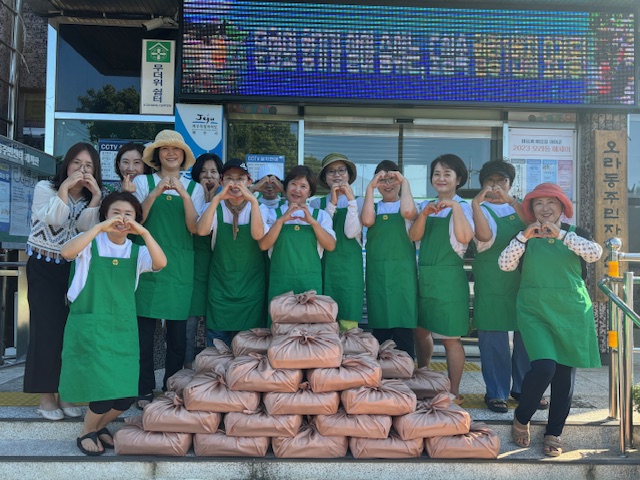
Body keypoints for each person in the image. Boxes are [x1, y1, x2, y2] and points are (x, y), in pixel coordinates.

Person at [58, 192, 167, 456]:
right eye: (115, 212)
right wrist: (97, 228)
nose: (121, 218)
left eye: (128, 214)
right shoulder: (90, 244)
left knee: (125, 396)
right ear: (105, 216)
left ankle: (99, 428)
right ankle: (86, 432)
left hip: (122, 330)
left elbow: (160, 262)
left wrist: (145, 233)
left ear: (137, 220)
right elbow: (66, 252)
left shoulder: (137, 251)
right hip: (92, 328)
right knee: (103, 391)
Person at [499, 182, 602, 457]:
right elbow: (505, 264)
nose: (545, 209)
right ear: (531, 209)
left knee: (564, 377)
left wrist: (562, 237)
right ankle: (522, 417)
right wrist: (523, 238)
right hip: (535, 310)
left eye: (551, 203)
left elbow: (595, 254)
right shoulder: (523, 236)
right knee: (544, 367)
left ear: (562, 207)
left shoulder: (575, 234)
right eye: (538, 204)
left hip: (571, 309)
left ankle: (554, 432)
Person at [23, 142, 102, 421]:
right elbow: (56, 219)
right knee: (46, 330)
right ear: (66, 164)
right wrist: (65, 189)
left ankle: (67, 393)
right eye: (77, 163)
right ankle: (46, 398)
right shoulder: (45, 188)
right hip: (43, 266)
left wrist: (95, 199)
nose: (82, 170)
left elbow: (85, 230)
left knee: (71, 332)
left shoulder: (93, 198)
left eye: (89, 165)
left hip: (73, 269)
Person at [132, 130, 206, 408]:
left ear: (184, 156)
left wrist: (184, 195)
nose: (171, 154)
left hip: (179, 267)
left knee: (177, 338)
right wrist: (156, 191)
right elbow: (138, 218)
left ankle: (172, 387)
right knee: (144, 336)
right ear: (157, 155)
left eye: (176, 150)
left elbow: (194, 227)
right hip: (147, 264)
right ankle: (143, 389)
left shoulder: (196, 188)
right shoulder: (142, 181)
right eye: (164, 150)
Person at [409, 154, 474, 404]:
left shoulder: (464, 207)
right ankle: (424, 378)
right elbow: (414, 237)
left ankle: (454, 391)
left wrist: (455, 207)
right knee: (420, 330)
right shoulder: (427, 205)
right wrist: (424, 214)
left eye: (447, 174)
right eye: (437, 173)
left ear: (458, 179)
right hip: (424, 275)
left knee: (450, 338)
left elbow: (465, 237)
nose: (441, 178)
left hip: (448, 278)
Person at [472, 158, 533, 413]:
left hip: (524, 281)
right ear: (482, 184)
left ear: (510, 185)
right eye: (490, 181)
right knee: (493, 338)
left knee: (527, 337)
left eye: (502, 181)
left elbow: (532, 225)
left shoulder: (520, 208)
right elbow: (484, 236)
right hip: (491, 280)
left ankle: (525, 388)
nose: (496, 187)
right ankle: (496, 392)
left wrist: (511, 201)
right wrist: (478, 201)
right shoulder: (476, 210)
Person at [197, 158, 266, 346]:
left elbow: (258, 235)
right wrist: (217, 198)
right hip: (221, 288)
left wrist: (252, 199)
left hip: (251, 289)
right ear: (221, 181)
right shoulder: (214, 208)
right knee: (217, 353)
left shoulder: (260, 208)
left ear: (249, 182)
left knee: (248, 353)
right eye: (229, 178)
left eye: (240, 179)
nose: (234, 183)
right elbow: (202, 231)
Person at [360, 160, 418, 356]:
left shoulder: (408, 206)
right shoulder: (373, 208)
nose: (387, 184)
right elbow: (367, 221)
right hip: (378, 274)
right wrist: (370, 188)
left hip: (403, 275)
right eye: (382, 180)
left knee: (404, 329)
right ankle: (381, 378)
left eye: (392, 179)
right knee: (380, 329)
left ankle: (406, 373)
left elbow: (409, 213)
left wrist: (406, 183)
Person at [259, 165, 336, 304]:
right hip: (280, 282)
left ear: (310, 192)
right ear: (286, 187)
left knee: (310, 324)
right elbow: (264, 245)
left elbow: (330, 246)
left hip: (310, 283)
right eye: (293, 184)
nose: (297, 190)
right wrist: (281, 220)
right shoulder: (272, 214)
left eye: (303, 186)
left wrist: (313, 223)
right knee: (279, 324)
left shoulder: (321, 216)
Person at [311, 153, 364, 330]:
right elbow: (324, 231)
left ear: (349, 175)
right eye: (331, 171)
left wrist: (350, 200)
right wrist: (332, 203)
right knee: (326, 319)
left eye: (342, 170)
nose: (337, 175)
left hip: (350, 270)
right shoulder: (317, 204)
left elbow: (350, 233)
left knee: (349, 321)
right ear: (325, 178)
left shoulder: (361, 202)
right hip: (325, 268)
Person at [185, 153, 223, 368]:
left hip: (217, 266)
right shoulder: (189, 196)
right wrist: (207, 200)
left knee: (215, 321)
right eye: (204, 172)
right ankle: (186, 368)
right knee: (189, 324)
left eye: (214, 172)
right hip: (193, 266)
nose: (209, 177)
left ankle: (213, 369)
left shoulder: (229, 201)